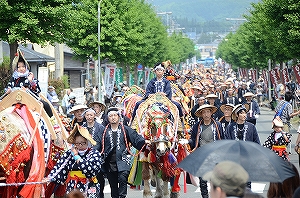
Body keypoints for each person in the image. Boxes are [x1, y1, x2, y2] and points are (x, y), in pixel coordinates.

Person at [93, 107, 149, 198]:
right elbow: (97, 143)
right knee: (113, 185)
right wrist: (94, 152)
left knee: (123, 180)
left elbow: (136, 138)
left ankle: (122, 196)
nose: (113, 117)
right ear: (108, 118)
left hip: (123, 160)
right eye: (110, 116)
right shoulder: (104, 131)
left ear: (119, 117)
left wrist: (144, 143)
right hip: (109, 163)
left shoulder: (125, 129)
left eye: (115, 115)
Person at [44, 123, 102, 196]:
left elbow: (90, 170)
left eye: (82, 143)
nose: (80, 146)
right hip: (72, 185)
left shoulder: (94, 154)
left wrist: (76, 156)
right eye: (77, 143)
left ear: (87, 142)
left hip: (88, 185)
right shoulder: (69, 154)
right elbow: (60, 167)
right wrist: (50, 178)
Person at [188, 104, 224, 198]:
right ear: (201, 114)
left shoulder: (217, 125)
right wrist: (186, 142)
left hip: (215, 155)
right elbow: (193, 140)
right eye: (204, 112)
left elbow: (223, 139)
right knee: (203, 181)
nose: (206, 114)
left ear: (211, 113)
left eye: (208, 111)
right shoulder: (197, 126)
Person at [82, 108, 106, 198]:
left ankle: (100, 195)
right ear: (85, 116)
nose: (89, 117)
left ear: (94, 116)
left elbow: (103, 142)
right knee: (87, 179)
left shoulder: (100, 127)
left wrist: (98, 153)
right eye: (87, 115)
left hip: (97, 156)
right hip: (85, 157)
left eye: (91, 115)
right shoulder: (82, 127)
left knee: (99, 179)